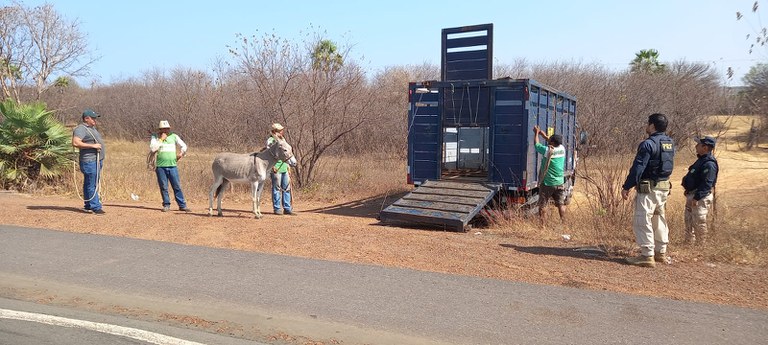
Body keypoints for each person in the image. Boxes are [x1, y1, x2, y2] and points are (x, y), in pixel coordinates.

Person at [621, 113, 675, 268]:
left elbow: (638, 168)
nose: (646, 126)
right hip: (663, 188)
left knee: (643, 219)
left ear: (652, 126)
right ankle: (660, 253)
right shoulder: (670, 143)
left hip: (648, 189)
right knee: (659, 219)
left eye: (648, 123)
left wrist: (627, 186)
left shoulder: (648, 144)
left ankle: (647, 255)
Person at [681, 136, 718, 244]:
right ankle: (689, 243)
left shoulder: (709, 164)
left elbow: (707, 183)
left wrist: (697, 197)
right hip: (692, 195)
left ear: (705, 147)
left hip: (700, 197)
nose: (696, 146)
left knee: (699, 221)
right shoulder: (701, 160)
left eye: (698, 144)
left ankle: (700, 244)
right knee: (689, 221)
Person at [149, 120, 191, 212]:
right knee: (163, 186)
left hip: (172, 165)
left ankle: (182, 205)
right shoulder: (155, 137)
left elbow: (184, 146)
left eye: (167, 129)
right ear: (160, 129)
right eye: (163, 129)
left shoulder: (174, 136)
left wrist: (181, 154)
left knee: (177, 185)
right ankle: (166, 204)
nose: (165, 131)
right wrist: (161, 139)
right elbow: (153, 149)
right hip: (160, 166)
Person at [72, 109, 106, 215]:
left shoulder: (91, 129)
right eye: (93, 118)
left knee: (89, 182)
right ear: (86, 118)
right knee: (92, 183)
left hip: (95, 160)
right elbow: (75, 142)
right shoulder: (81, 129)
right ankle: (95, 206)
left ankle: (88, 205)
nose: (95, 120)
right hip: (90, 161)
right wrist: (92, 146)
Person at [533, 125, 567, 224]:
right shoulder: (562, 148)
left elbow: (537, 144)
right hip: (560, 182)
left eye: (550, 139)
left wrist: (536, 133)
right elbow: (551, 140)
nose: (549, 139)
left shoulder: (548, 151)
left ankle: (542, 226)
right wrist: (543, 134)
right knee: (560, 204)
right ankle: (564, 223)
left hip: (548, 183)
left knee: (542, 205)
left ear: (552, 143)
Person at [267, 123, 293, 215]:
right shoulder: (271, 140)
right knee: (276, 188)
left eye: (281, 130)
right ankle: (277, 208)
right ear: (274, 132)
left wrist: (288, 166)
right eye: (279, 130)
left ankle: (287, 208)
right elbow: (269, 154)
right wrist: (272, 166)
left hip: (284, 167)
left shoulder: (283, 139)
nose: (282, 132)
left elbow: (286, 154)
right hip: (276, 168)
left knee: (286, 188)